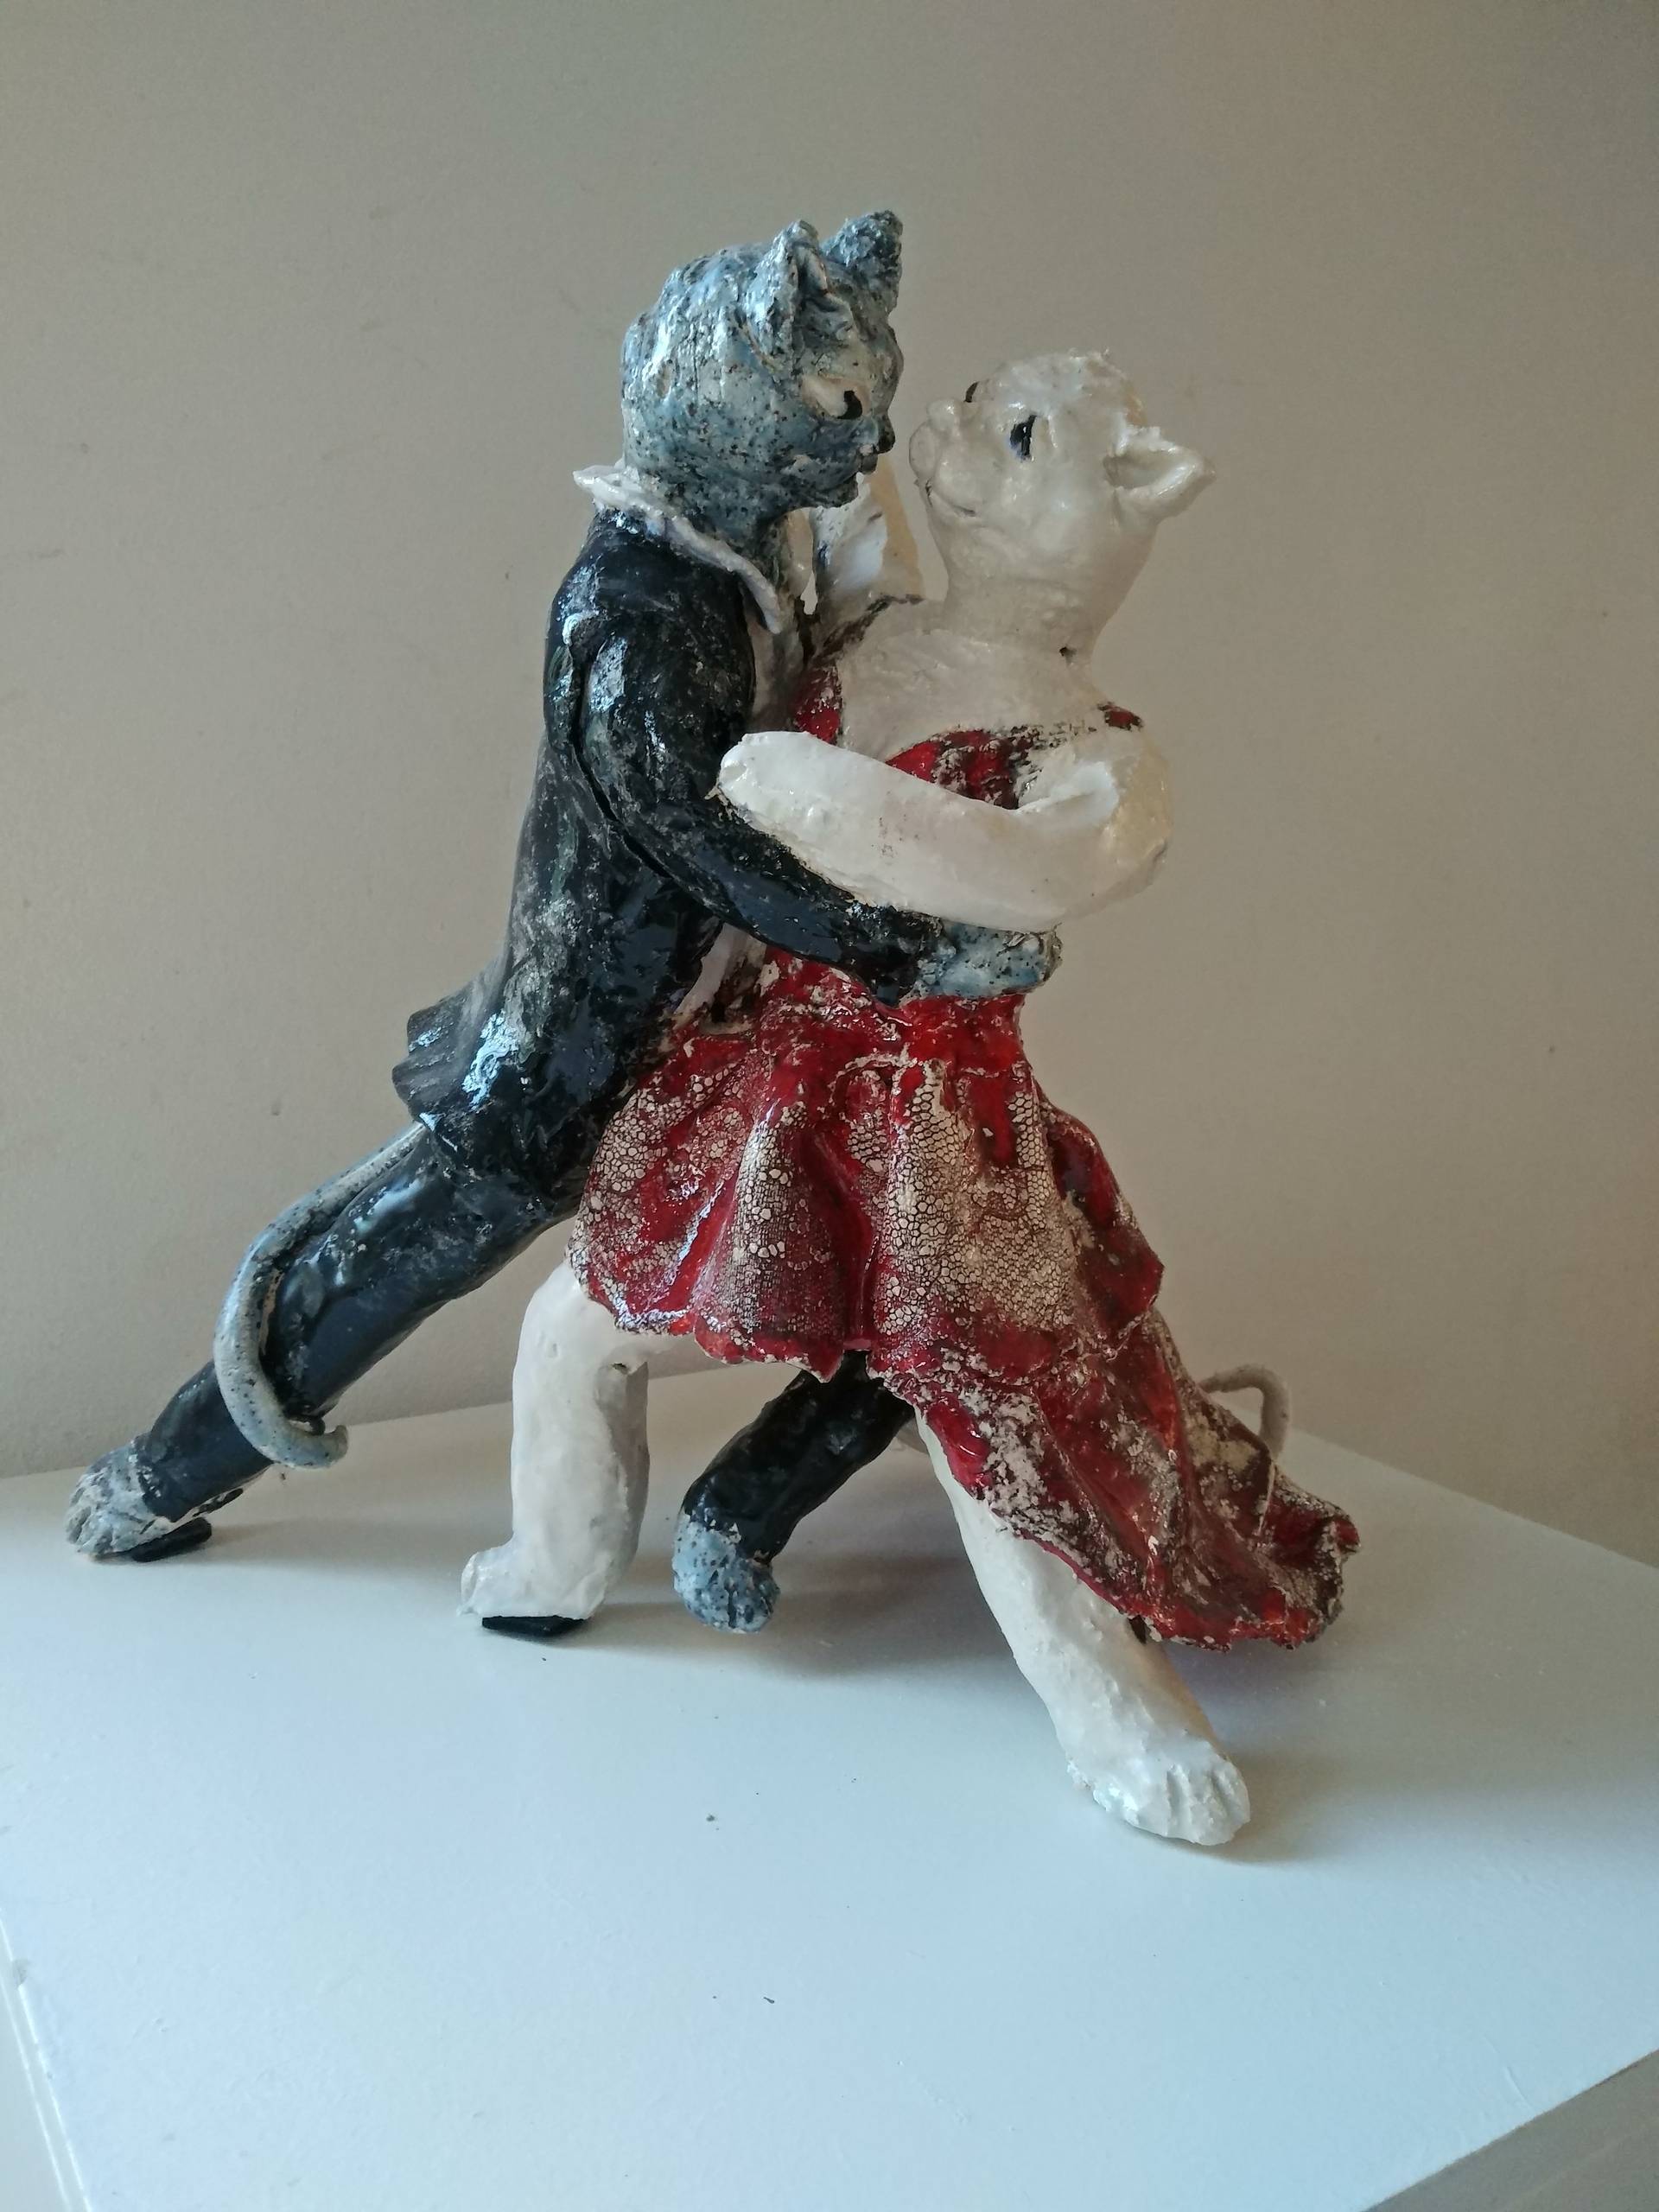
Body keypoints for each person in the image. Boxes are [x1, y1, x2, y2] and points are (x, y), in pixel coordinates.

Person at [66, 213, 1049, 1563]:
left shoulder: (748, 555)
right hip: (574, 1047)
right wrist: (902, 947)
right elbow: (703, 840)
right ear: (728, 393)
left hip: (699, 1018)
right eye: (837, 410)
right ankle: (164, 1472)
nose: (869, 443)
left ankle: (819, 1467)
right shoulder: (636, 610)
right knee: (403, 1256)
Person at [478, 353, 1357, 1846]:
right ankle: (553, 1557)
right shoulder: (870, 626)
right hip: (772, 1077)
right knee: (576, 1323)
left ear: (1127, 503)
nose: (960, 434)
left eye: (1020, 439)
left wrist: (817, 800)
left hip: (937, 1118)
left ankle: (1108, 1701)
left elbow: (1035, 868)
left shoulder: (1097, 751)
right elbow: (804, 573)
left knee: (979, 1408)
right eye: (969, 407)